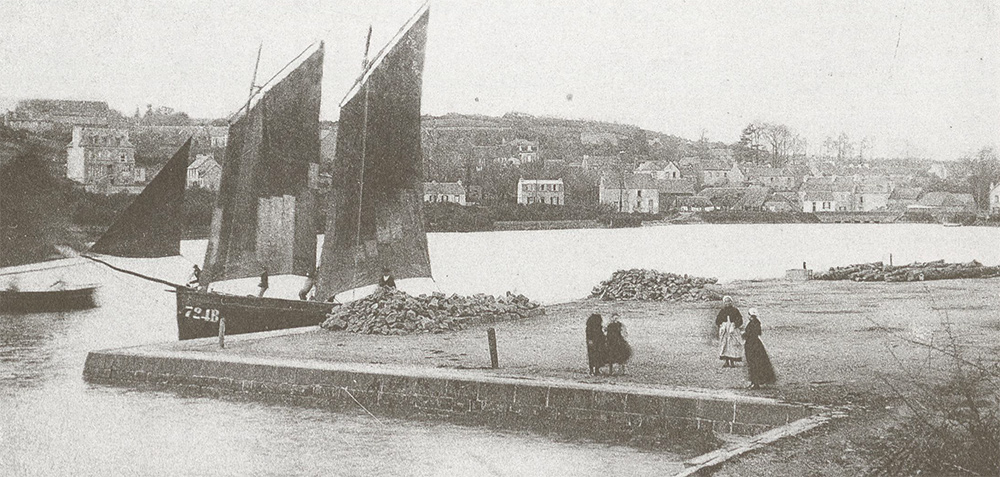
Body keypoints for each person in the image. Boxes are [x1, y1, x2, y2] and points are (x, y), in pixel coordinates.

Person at [743, 308, 776, 389]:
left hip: (752, 344)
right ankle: (755, 382)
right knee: (756, 363)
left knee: (754, 363)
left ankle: (755, 383)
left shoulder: (753, 323)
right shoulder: (756, 322)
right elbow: (758, 333)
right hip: (755, 344)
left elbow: (750, 333)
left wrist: (744, 335)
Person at [716, 296, 744, 367]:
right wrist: (721, 325)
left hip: (732, 331)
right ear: (724, 303)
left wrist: (735, 324)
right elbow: (718, 320)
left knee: (732, 345)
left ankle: (732, 361)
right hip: (725, 331)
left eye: (729, 301)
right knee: (725, 345)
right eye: (725, 301)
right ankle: (726, 361)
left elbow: (740, 320)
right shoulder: (722, 311)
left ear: (731, 302)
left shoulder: (735, 310)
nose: (727, 303)